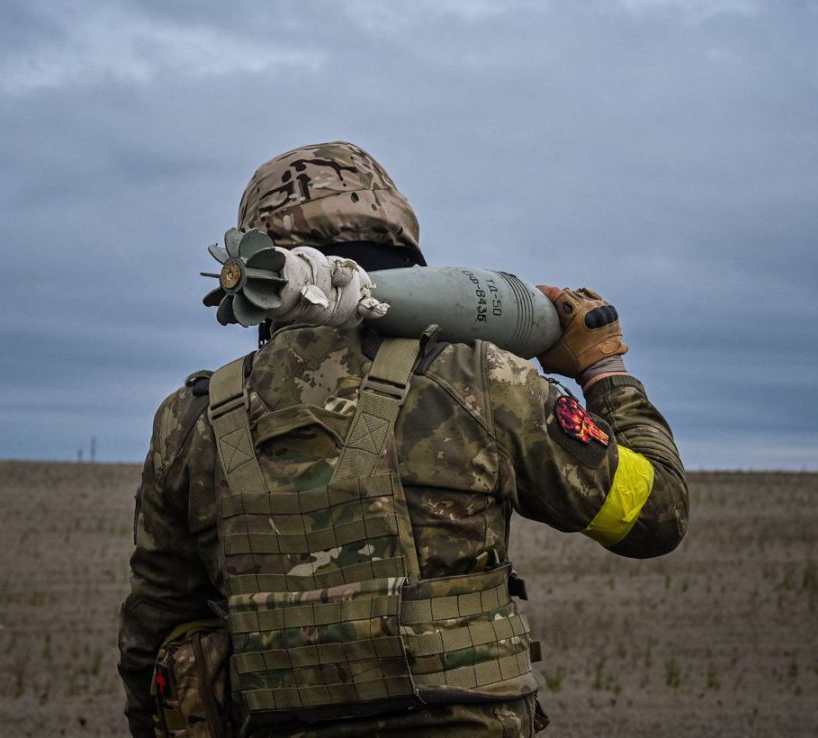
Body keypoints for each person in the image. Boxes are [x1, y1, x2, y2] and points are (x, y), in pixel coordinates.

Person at [118, 141, 688, 737]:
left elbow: (155, 639)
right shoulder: (482, 382)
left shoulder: (191, 421)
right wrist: (604, 371)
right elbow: (656, 515)